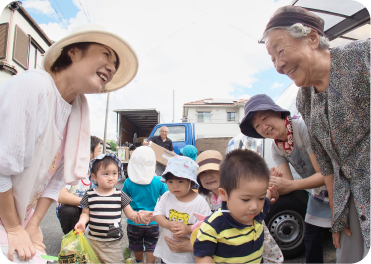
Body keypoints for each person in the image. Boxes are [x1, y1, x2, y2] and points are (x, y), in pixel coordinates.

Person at [0, 24, 138, 263]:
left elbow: (53, 181)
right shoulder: (35, 85)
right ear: (73, 52)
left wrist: (32, 225)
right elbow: (1, 167)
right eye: (106, 55)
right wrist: (14, 229)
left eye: (115, 66)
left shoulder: (76, 112)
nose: (112, 68)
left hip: (18, 218)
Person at [262, 5, 369, 263]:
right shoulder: (305, 99)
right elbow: (328, 166)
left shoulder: (361, 56)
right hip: (349, 199)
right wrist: (336, 215)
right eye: (272, 58)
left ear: (311, 38)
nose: (278, 65)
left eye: (280, 50)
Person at [239, 94, 332, 263]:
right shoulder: (277, 148)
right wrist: (276, 183)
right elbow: (289, 184)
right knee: (311, 235)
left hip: (334, 185)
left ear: (279, 113)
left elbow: (324, 175)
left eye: (265, 118)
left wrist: (288, 185)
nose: (263, 127)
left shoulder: (302, 128)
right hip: (316, 191)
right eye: (257, 125)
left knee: (342, 234)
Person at [193, 149, 274, 263]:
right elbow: (202, 255)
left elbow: (267, 196)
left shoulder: (257, 210)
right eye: (246, 199)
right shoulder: (213, 225)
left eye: (260, 198)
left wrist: (271, 190)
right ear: (224, 194)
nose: (255, 206)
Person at [74, 153, 152, 264]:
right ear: (94, 177)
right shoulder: (89, 194)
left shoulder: (120, 194)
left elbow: (130, 213)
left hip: (114, 243)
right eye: (105, 174)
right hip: (93, 241)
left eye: (114, 173)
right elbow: (85, 213)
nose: (111, 177)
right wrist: (82, 222)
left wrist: (139, 216)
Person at [152, 156, 211, 263]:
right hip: (167, 252)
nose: (175, 186)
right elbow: (157, 214)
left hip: (187, 257)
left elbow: (206, 227)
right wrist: (167, 224)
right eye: (170, 182)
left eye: (180, 181)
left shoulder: (200, 203)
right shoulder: (166, 196)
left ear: (191, 182)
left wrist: (188, 230)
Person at [122, 146, 168, 264]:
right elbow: (168, 197)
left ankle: (139, 261)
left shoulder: (128, 182)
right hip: (152, 221)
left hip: (134, 221)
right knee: (151, 245)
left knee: (136, 245)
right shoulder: (158, 181)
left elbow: (123, 199)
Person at [56, 135, 102, 235]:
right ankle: (73, 240)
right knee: (68, 211)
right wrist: (87, 203)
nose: (101, 154)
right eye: (99, 150)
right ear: (89, 154)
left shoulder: (99, 172)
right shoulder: (73, 171)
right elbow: (60, 195)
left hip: (92, 209)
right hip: (77, 209)